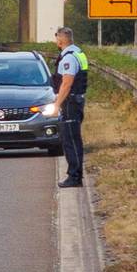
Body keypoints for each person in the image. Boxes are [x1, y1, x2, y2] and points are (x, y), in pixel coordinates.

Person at [53, 25, 89, 188]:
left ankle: (74, 176)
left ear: (60, 40)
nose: (56, 41)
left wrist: (57, 105)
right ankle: (75, 175)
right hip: (77, 100)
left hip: (71, 103)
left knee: (71, 141)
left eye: (57, 38)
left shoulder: (68, 58)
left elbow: (67, 83)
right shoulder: (78, 53)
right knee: (74, 139)